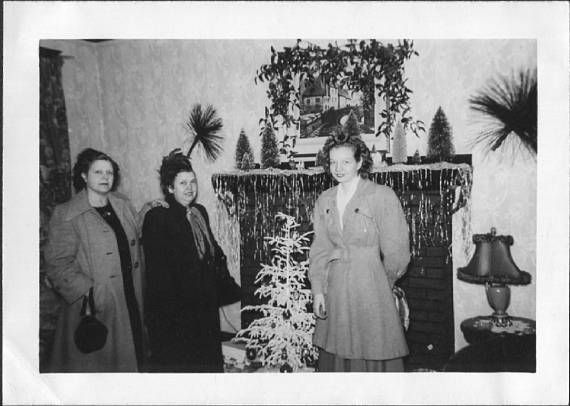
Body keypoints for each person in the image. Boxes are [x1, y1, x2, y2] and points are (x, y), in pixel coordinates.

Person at [308, 132, 411, 372]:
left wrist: (383, 284)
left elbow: (398, 251)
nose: (338, 168)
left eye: (345, 161)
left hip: (371, 288)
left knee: (373, 352)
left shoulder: (381, 195)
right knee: (337, 356)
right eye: (333, 162)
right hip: (335, 289)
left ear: (359, 162)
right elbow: (320, 248)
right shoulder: (325, 199)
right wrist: (318, 291)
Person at [44, 148, 145, 372]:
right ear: (83, 176)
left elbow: (137, 239)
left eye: (109, 173)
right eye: (98, 172)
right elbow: (57, 264)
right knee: (102, 368)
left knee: (132, 360)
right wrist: (91, 293)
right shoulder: (67, 213)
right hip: (94, 306)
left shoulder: (122, 205)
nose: (105, 177)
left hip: (128, 297)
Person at [142, 149, 240, 372]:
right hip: (176, 313)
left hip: (204, 305)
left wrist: (222, 285)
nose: (189, 188)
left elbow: (211, 250)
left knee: (207, 363)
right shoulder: (158, 218)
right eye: (182, 183)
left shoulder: (198, 212)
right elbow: (159, 275)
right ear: (169, 188)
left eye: (192, 182)